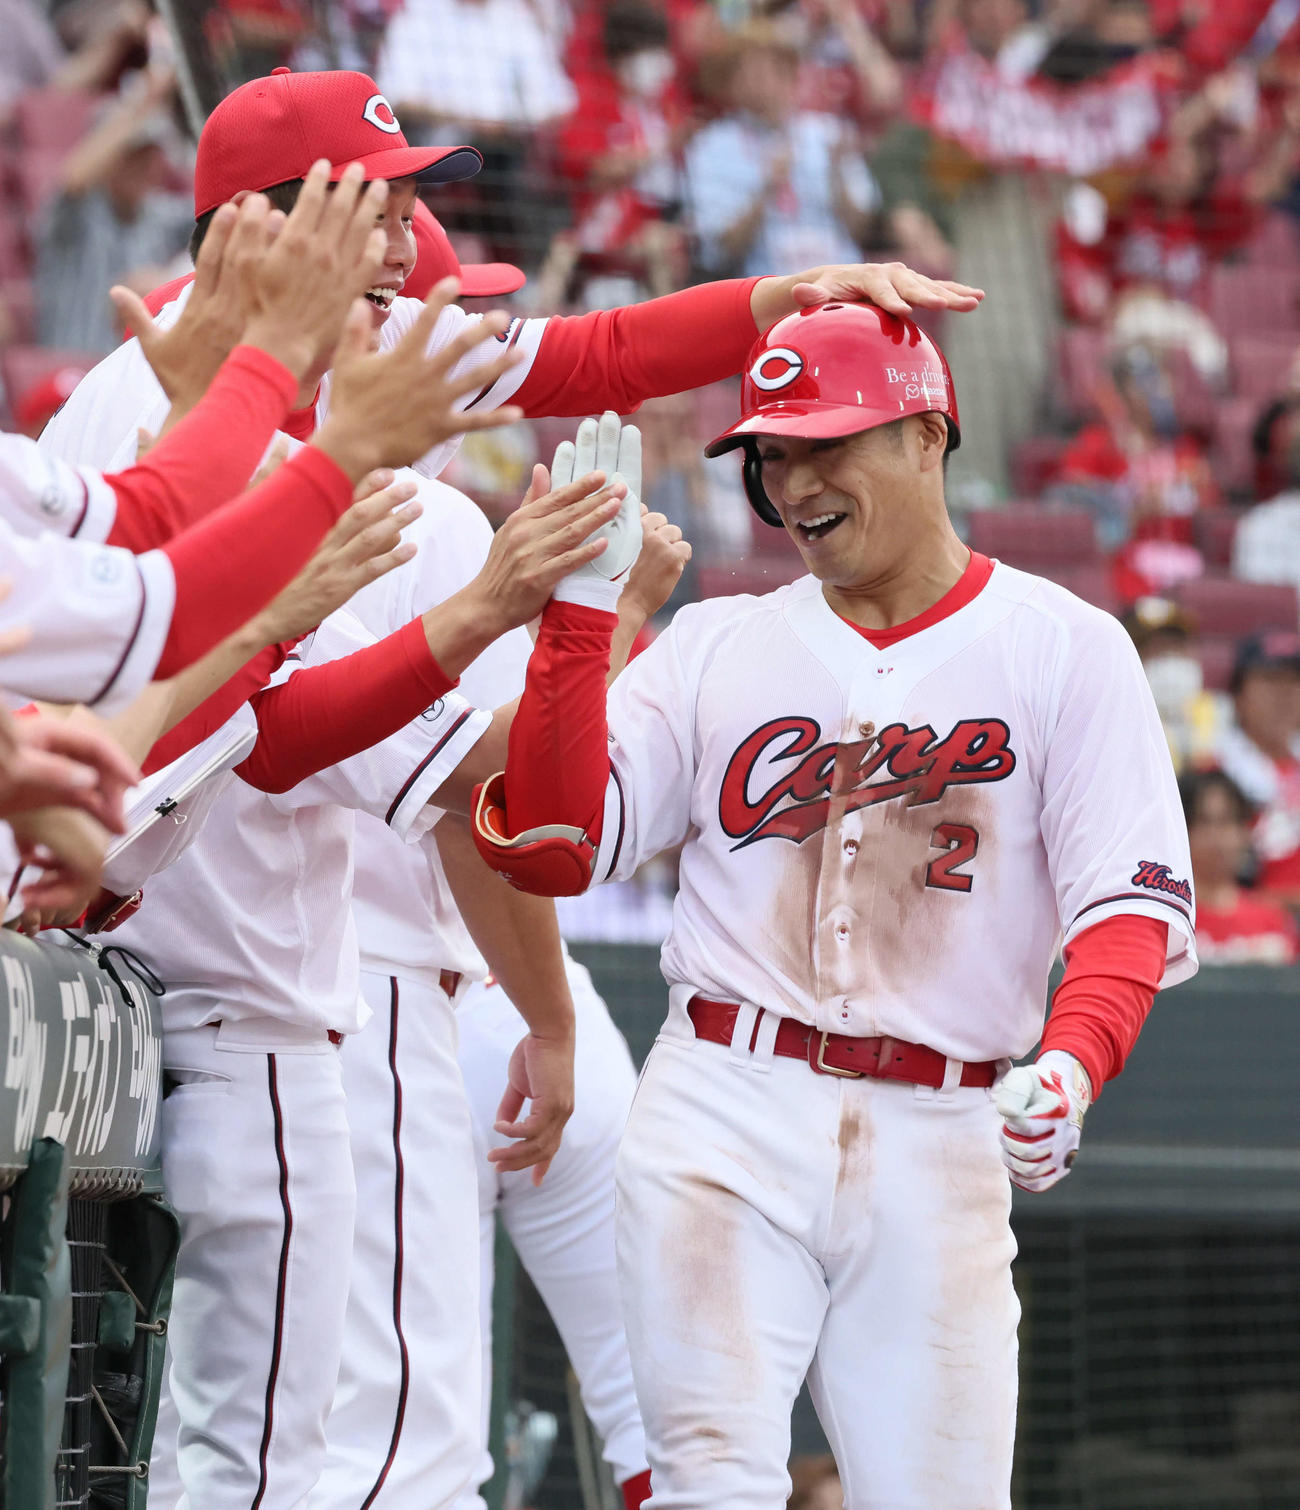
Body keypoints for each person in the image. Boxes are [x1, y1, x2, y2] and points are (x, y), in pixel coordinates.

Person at [472, 301, 1197, 1508]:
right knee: (709, 1483)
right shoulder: (715, 643)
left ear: (927, 433)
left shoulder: (1063, 647)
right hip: (724, 1101)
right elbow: (553, 846)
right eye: (770, 451)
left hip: (943, 1126)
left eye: (824, 442)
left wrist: (1071, 1064)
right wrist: (579, 626)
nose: (789, 478)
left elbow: (1125, 902)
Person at [455, 948, 650, 1510]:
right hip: (558, 1011)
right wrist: (552, 1024)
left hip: (403, 1021)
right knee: (656, 1409)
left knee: (425, 1443)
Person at [1215, 632, 1300, 909]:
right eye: (1270, 680)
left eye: (1293, 681)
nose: (1284, 694)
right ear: (1238, 696)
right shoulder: (1217, 774)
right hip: (1251, 936)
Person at [1181, 767, 1298, 964]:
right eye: (1205, 822)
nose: (1217, 836)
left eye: (1227, 821)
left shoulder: (1274, 920)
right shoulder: (1171, 920)